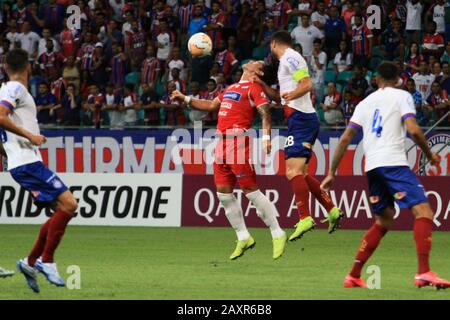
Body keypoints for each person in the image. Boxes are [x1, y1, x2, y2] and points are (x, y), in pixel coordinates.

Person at [321, 61, 450, 289]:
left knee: (385, 218)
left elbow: (345, 138)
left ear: (377, 79)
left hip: (372, 167)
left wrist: (331, 172)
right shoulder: (402, 96)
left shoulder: (365, 103)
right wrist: (429, 155)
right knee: (424, 212)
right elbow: (413, 128)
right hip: (393, 163)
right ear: (398, 80)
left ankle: (353, 275)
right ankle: (424, 272)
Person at [171, 61, 287, 260]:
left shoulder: (255, 88)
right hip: (221, 143)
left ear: (257, 71)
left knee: (251, 192)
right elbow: (210, 105)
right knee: (223, 195)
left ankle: (277, 233)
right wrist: (186, 98)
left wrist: (267, 138)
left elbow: (265, 112)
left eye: (257, 63)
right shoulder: (231, 88)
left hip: (238, 142)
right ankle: (243, 237)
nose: (252, 61)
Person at [0, 49, 78, 293]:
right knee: (70, 205)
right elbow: (0, 116)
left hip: (21, 163)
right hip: (27, 163)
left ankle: (30, 262)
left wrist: (8, 154)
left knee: (61, 211)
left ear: (5, 67)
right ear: (28, 68)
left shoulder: (7, 89)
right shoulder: (15, 88)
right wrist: (30, 136)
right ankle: (46, 260)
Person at [254, 31, 344, 241]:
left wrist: (291, 96)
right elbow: (281, 95)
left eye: (270, 46)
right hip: (299, 119)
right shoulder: (287, 62)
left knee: (292, 171)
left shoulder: (291, 57)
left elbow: (306, 84)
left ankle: (305, 218)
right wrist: (264, 86)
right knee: (300, 173)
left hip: (302, 120)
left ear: (274, 43)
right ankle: (331, 210)